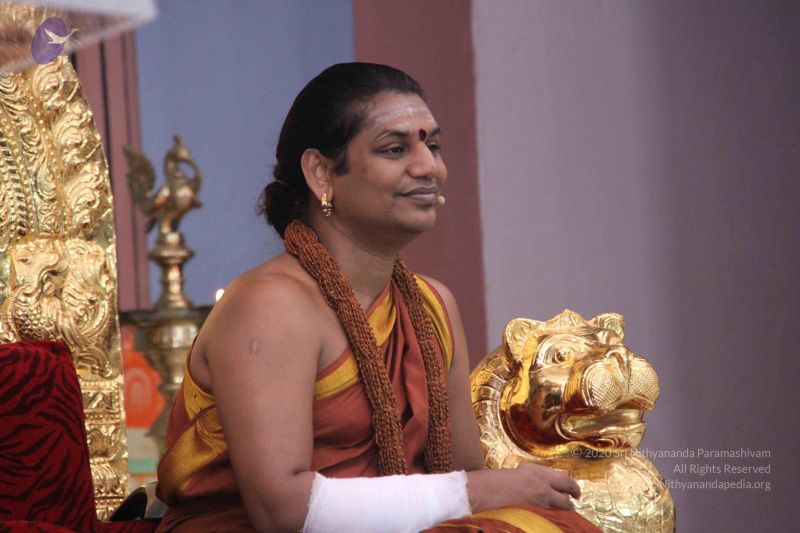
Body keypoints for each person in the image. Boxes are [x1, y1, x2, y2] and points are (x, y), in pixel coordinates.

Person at [155, 62, 599, 533]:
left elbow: (463, 475)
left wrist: (492, 493)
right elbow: (281, 510)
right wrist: (475, 492)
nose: (428, 167)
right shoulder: (270, 306)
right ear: (321, 173)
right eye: (395, 149)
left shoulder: (433, 305)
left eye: (432, 146)